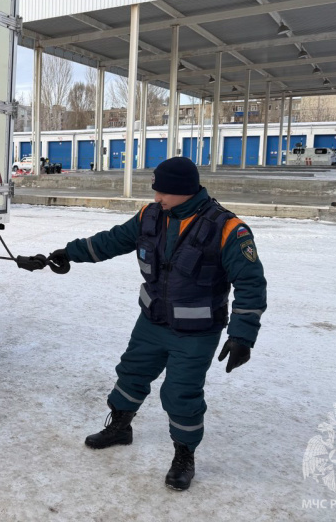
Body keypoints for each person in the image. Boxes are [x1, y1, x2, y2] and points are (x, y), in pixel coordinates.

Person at [17, 157, 267, 491]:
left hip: (196, 332)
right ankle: (121, 427)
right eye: (156, 191)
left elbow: (250, 282)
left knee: (180, 394)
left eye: (164, 192)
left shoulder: (227, 229)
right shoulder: (152, 216)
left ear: (186, 191)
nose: (157, 198)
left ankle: (184, 455)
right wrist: (68, 252)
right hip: (152, 321)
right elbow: (112, 240)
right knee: (131, 373)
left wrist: (242, 336)